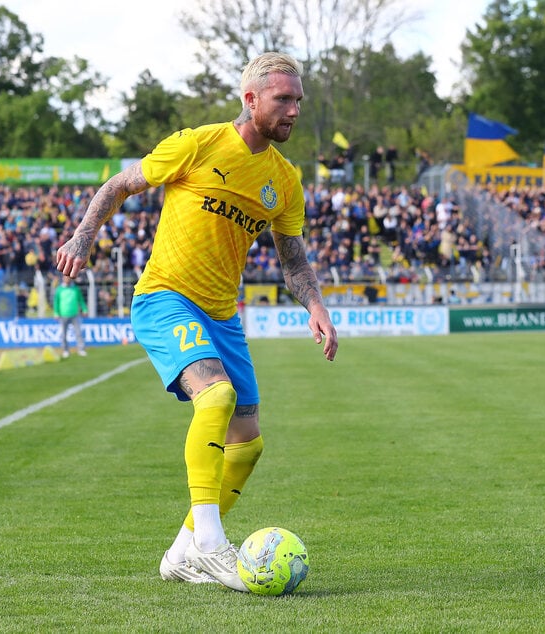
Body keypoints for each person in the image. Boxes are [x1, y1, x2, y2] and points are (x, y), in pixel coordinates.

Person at [56, 52, 338, 592]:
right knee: (216, 398)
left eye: (299, 100)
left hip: (221, 315)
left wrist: (316, 305)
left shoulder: (285, 179)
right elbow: (119, 184)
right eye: (284, 99)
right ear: (250, 99)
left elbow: (293, 258)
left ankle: (183, 552)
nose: (294, 110)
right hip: (166, 297)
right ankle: (211, 545)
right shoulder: (198, 143)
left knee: (248, 442)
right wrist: (82, 238)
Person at [53, 275, 87, 358]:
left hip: (75, 314)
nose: (67, 279)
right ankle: (65, 350)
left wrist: (84, 309)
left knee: (78, 332)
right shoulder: (59, 290)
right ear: (63, 279)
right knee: (64, 334)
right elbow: (56, 302)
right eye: (66, 277)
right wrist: (56, 313)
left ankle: (81, 349)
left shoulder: (75, 289)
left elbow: (81, 300)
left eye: (69, 278)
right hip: (63, 314)